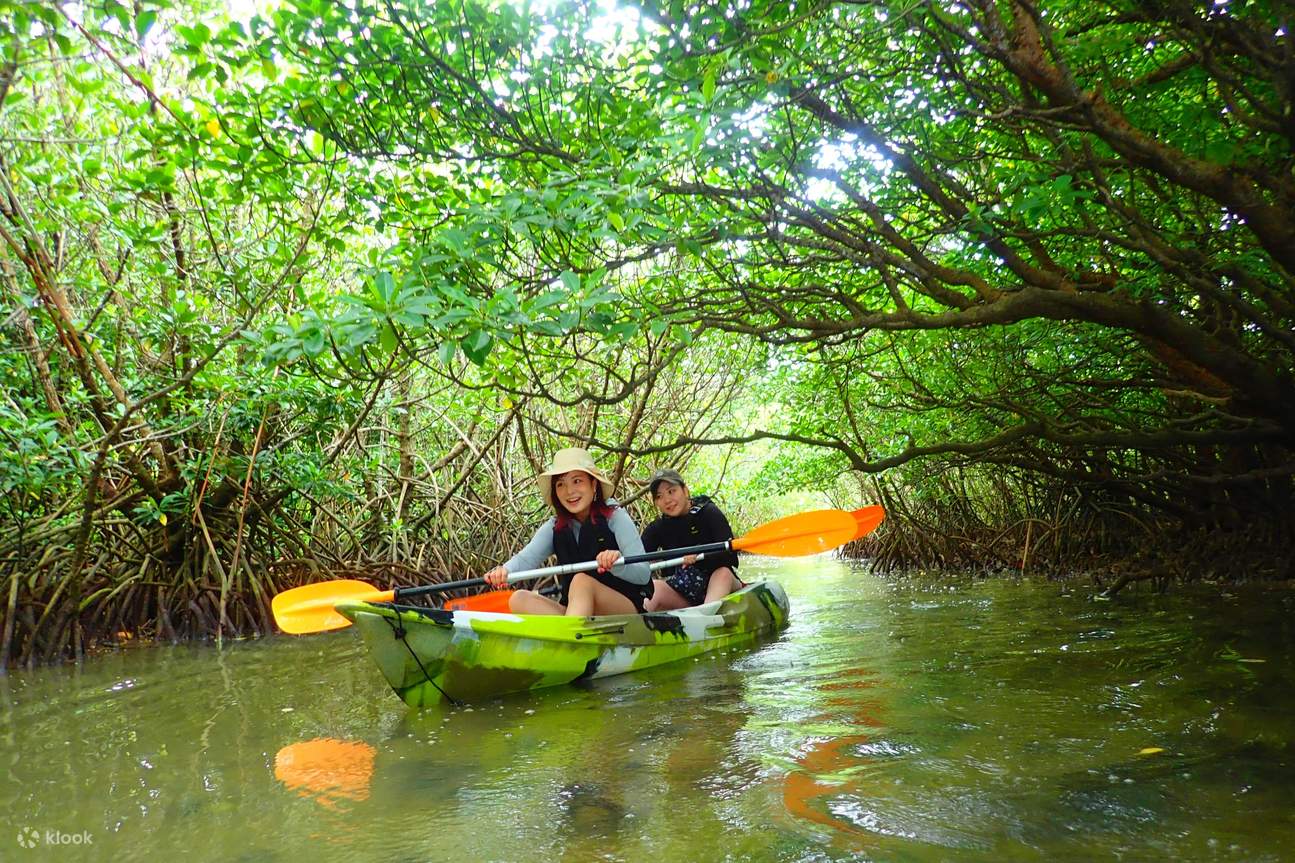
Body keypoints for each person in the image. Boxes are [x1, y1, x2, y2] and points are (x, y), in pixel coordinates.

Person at [483, 447, 652, 616]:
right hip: (578, 612)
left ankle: (571, 630)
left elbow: (643, 573)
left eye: (577, 481)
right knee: (518, 598)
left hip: (624, 612)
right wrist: (505, 571)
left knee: (581, 581)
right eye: (561, 484)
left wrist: (617, 564)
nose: (569, 491)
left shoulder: (615, 516)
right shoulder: (555, 527)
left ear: (594, 485)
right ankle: (572, 626)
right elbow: (526, 559)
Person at [641, 468, 743, 610]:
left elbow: (730, 557)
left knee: (722, 574)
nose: (667, 500)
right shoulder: (657, 528)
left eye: (671, 491)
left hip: (721, 583)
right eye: (659, 496)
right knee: (655, 587)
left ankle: (705, 615)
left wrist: (700, 557)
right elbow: (638, 556)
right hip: (685, 592)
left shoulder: (709, 513)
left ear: (685, 490)